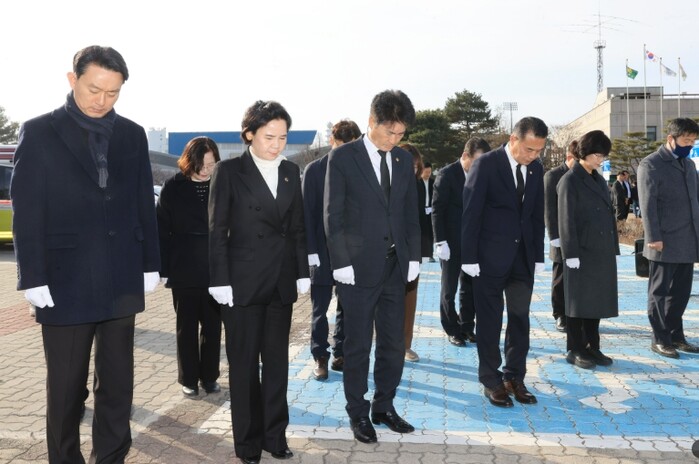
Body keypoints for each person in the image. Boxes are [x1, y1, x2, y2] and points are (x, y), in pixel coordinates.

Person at [10, 45, 160, 463]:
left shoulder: (132, 134)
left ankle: (111, 457)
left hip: (121, 275)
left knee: (118, 384)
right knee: (66, 387)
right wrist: (32, 275)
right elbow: (27, 209)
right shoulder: (39, 131)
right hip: (64, 279)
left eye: (113, 93)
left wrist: (150, 262)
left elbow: (143, 202)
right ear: (72, 79)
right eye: (94, 89)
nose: (102, 100)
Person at [208, 100, 310, 464]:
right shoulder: (229, 171)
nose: (277, 144)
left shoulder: (290, 171)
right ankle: (248, 443)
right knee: (244, 366)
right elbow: (217, 229)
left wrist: (302, 271)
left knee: (277, 364)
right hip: (242, 284)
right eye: (269, 136)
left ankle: (274, 436)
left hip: (280, 281)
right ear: (249, 134)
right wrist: (219, 279)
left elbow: (297, 228)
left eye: (283, 137)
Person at [324, 90, 421, 444]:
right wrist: (340, 262)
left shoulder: (402, 160)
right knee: (358, 344)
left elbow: (410, 213)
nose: (394, 139)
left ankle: (384, 406)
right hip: (357, 268)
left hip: (395, 267)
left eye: (400, 133)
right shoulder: (343, 158)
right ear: (372, 122)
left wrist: (414, 257)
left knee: (393, 343)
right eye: (390, 132)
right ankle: (357, 411)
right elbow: (332, 213)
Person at [461, 117, 547, 408]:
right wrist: (469, 257)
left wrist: (538, 256)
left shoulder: (536, 169)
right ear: (513, 139)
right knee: (490, 320)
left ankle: (514, 376)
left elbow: (535, 215)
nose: (533, 155)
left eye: (538, 150)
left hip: (522, 259)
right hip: (488, 259)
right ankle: (491, 379)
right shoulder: (486, 165)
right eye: (529, 149)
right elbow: (471, 212)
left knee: (520, 319)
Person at [157, 136, 223, 397]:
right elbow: (161, 230)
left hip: (215, 268)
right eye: (201, 165)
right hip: (183, 267)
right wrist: (163, 269)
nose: (206, 170)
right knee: (186, 327)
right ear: (189, 162)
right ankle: (188, 378)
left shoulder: (222, 184)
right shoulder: (173, 187)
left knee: (213, 326)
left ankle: (210, 376)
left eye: (211, 164)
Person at [303, 119, 361, 380]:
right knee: (320, 309)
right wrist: (310, 251)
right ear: (332, 142)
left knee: (348, 307)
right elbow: (307, 213)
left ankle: (341, 352)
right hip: (321, 251)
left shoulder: (360, 170)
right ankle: (320, 356)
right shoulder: (314, 170)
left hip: (350, 253)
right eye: (341, 145)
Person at [637, 117, 699, 359]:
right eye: (686, 140)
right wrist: (653, 236)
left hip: (688, 240)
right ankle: (660, 339)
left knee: (681, 293)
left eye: (693, 141)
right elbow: (647, 204)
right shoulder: (651, 164)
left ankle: (675, 335)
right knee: (659, 293)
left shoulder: (689, 165)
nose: (690, 145)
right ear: (670, 139)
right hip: (663, 241)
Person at [557, 130, 619, 369]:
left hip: (600, 251)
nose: (600, 160)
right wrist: (570, 254)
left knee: (596, 301)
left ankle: (593, 346)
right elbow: (566, 220)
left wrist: (613, 247)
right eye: (597, 155)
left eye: (603, 155)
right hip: (581, 252)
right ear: (584, 153)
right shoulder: (570, 180)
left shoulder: (598, 179)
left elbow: (608, 215)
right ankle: (575, 348)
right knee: (578, 303)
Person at [433, 137, 490, 347]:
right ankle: (451, 328)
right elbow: (437, 210)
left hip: (472, 242)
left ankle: (466, 326)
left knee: (470, 286)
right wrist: (440, 241)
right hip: (450, 242)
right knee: (449, 289)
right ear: (465, 156)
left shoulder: (481, 176)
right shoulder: (447, 174)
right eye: (476, 161)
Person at [543, 141, 577, 333]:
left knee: (579, 278)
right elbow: (548, 208)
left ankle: (575, 313)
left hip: (579, 237)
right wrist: (554, 236)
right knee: (560, 279)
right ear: (569, 157)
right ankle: (560, 315)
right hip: (560, 237)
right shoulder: (553, 175)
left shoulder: (584, 175)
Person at [401, 143, 429, 362]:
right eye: (409, 165)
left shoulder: (418, 185)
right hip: (386, 252)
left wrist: (422, 252)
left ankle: (405, 345)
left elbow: (421, 220)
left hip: (411, 254)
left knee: (409, 300)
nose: (412, 170)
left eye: (415, 166)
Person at [417, 160, 435, 262]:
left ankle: (430, 254)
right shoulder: (417, 182)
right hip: (420, 211)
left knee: (430, 233)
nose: (428, 174)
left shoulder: (433, 182)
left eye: (429, 172)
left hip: (430, 210)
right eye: (426, 172)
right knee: (421, 233)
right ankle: (420, 253)